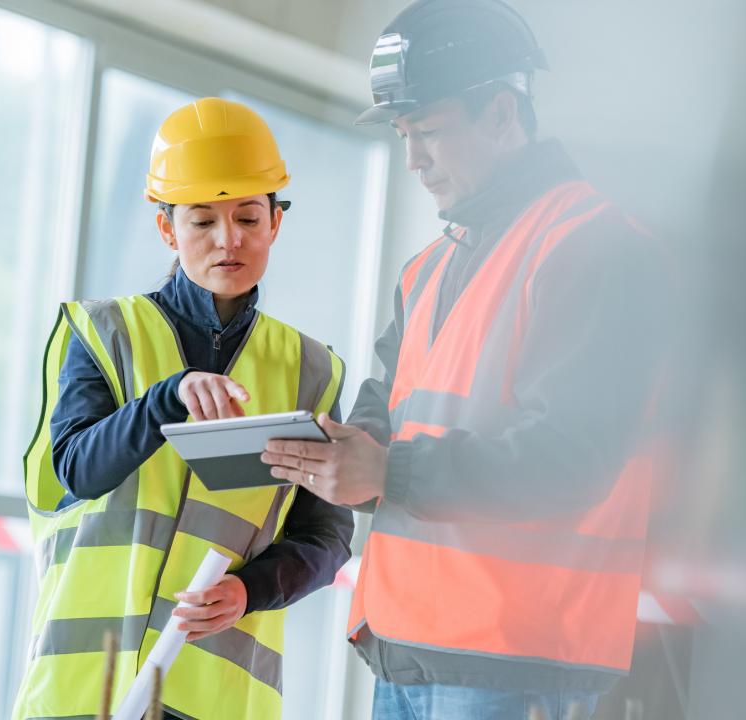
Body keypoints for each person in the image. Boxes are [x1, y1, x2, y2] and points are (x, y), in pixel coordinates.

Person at [261, 1, 672, 718]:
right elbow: (383, 412)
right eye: (402, 135)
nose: (414, 158)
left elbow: (571, 460)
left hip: (515, 656)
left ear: (503, 116)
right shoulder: (426, 270)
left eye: (430, 133)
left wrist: (387, 470)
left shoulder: (594, 245)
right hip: (407, 644)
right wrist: (337, 458)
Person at [13, 97, 354, 720]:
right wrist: (163, 400)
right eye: (202, 221)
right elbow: (77, 471)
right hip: (87, 684)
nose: (230, 240)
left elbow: (325, 536)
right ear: (168, 228)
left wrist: (249, 591)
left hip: (215, 696)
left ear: (276, 221)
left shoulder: (313, 370)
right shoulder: (104, 334)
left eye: (249, 217)